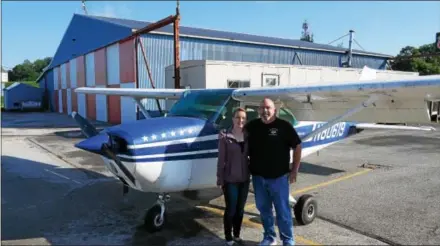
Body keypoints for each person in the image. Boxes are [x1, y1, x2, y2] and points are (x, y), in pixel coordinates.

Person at [243, 98, 302, 246]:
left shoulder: (284, 126)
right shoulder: (252, 126)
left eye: (268, 108)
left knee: (283, 212)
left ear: (275, 110)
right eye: (262, 108)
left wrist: (294, 169)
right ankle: (269, 237)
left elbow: (297, 146)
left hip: (279, 178)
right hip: (258, 178)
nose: (265, 111)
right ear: (258, 111)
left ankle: (288, 240)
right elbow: (239, 139)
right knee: (264, 211)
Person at [217, 107, 251, 246]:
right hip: (230, 179)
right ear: (233, 119)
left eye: (243, 118)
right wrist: (220, 178)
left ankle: (236, 235)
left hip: (244, 179)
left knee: (240, 209)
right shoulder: (225, 136)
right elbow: (221, 160)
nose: (240, 120)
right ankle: (228, 236)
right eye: (238, 117)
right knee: (231, 209)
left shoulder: (249, 136)